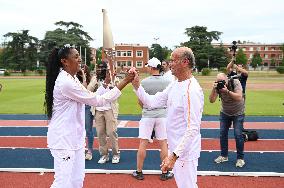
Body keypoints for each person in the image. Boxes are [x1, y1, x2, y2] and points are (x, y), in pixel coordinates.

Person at [45, 44, 134, 188]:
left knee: (77, 181)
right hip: (63, 140)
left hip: (76, 139)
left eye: (79, 56)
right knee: (62, 183)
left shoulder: (72, 78)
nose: (79, 59)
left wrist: (106, 85)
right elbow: (98, 101)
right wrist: (125, 81)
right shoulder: (65, 82)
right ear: (64, 61)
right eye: (75, 56)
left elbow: (91, 96)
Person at [132, 47, 204, 188]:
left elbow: (193, 128)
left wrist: (174, 156)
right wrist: (136, 85)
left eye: (173, 60)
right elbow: (152, 102)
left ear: (185, 62)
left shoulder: (191, 90)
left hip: (185, 153)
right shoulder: (175, 84)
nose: (169, 63)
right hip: (176, 150)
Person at [132, 57, 173, 181]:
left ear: (151, 67)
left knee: (143, 144)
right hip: (162, 116)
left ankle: (139, 172)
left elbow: (140, 101)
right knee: (163, 144)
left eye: (148, 66)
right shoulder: (168, 81)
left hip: (147, 116)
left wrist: (146, 108)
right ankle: (165, 172)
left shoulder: (143, 82)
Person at [209, 73, 245, 168]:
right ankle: (224, 156)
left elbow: (239, 97)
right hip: (225, 112)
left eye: (222, 81)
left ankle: (240, 159)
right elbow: (211, 100)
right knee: (222, 133)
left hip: (238, 112)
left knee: (238, 135)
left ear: (227, 79)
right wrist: (214, 88)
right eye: (218, 81)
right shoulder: (218, 87)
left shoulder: (235, 82)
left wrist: (227, 91)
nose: (221, 83)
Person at [91, 70, 121, 164]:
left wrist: (112, 87)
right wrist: (104, 85)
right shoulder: (96, 81)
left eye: (109, 73)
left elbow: (117, 96)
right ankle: (104, 155)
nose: (108, 75)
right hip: (98, 110)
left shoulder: (115, 81)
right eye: (107, 73)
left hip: (109, 110)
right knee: (100, 133)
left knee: (111, 132)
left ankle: (116, 154)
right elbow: (93, 94)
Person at [76, 65, 98, 161]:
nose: (81, 71)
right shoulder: (73, 80)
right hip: (76, 107)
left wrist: (84, 77)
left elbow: (86, 91)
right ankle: (78, 150)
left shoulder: (91, 80)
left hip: (87, 107)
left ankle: (89, 151)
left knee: (88, 130)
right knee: (77, 130)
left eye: (83, 70)